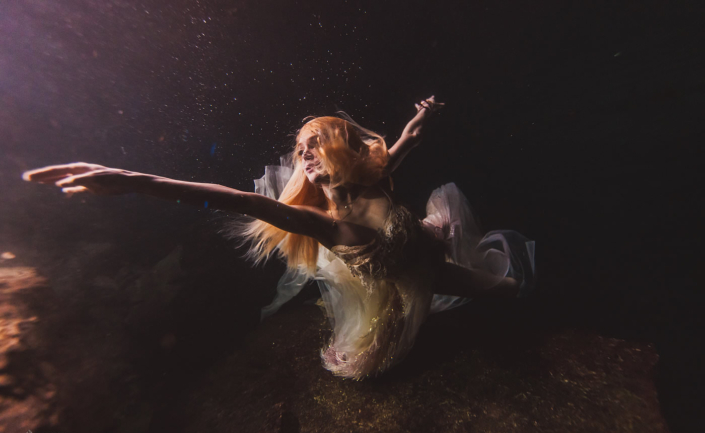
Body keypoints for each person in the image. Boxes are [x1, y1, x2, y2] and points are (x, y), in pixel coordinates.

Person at [21, 96, 535, 380]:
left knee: (509, 288)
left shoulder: (373, 175)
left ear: (344, 147)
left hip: (429, 254)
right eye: (299, 149)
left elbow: (405, 141)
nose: (304, 155)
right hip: (403, 278)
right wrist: (133, 180)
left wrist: (422, 117)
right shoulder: (323, 224)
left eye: (316, 145)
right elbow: (236, 199)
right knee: (382, 356)